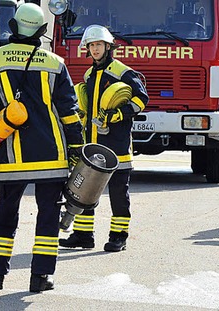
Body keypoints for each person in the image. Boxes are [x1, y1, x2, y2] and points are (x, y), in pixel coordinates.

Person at [0, 3, 84, 292]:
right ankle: (41, 277)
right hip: (52, 157)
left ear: (13, 27)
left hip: (10, 156)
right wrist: (76, 149)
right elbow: (69, 113)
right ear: (42, 31)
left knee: (4, 215)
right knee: (48, 216)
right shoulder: (55, 63)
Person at [59, 25, 148, 252]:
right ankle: (83, 236)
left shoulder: (123, 72)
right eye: (92, 46)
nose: (95, 49)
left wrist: (120, 114)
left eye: (99, 45)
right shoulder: (89, 75)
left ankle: (119, 236)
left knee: (118, 193)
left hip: (117, 146)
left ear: (108, 47)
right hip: (93, 144)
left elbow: (141, 98)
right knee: (85, 191)